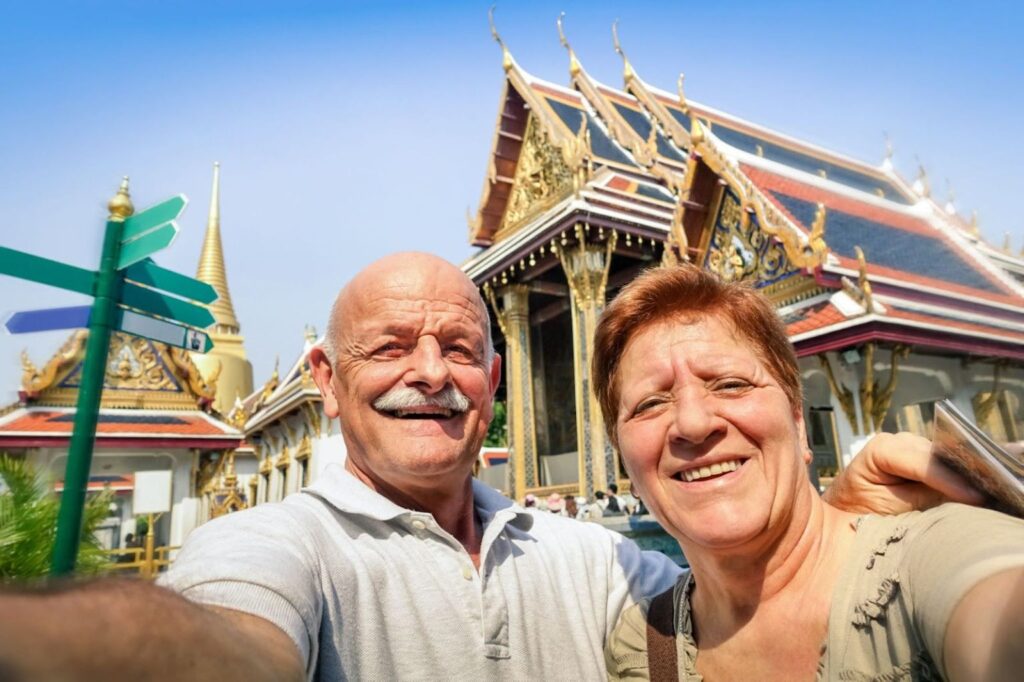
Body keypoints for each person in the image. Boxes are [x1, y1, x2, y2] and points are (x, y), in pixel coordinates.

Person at [0, 253, 983, 681]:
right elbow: (221, 648)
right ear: (323, 382)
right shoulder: (270, 545)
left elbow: (744, 602)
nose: (429, 373)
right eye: (388, 349)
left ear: (495, 381)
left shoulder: (598, 564)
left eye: (458, 348)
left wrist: (836, 529)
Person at [595, 264, 1024, 680]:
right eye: (650, 404)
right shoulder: (643, 646)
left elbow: (999, 609)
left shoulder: (925, 556)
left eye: (731, 384)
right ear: (626, 464)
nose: (693, 424)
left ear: (799, 425)